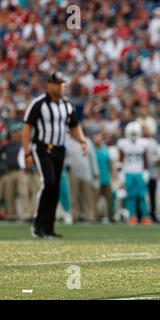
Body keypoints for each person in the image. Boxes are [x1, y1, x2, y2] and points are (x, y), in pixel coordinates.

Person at [22, 71, 88, 238]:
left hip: (60, 148)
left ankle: (49, 228)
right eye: (57, 83)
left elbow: (74, 126)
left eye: (62, 83)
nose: (60, 86)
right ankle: (38, 225)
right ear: (49, 85)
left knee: (56, 186)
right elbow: (27, 128)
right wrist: (27, 152)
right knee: (49, 183)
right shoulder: (38, 104)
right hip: (42, 148)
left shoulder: (67, 105)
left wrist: (82, 141)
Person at [117, 121, 151, 226]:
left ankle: (145, 216)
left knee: (141, 196)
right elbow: (121, 159)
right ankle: (132, 216)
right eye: (131, 134)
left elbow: (145, 158)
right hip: (128, 172)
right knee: (130, 196)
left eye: (135, 134)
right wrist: (121, 173)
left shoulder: (143, 143)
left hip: (139, 172)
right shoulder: (123, 143)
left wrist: (145, 171)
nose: (133, 136)